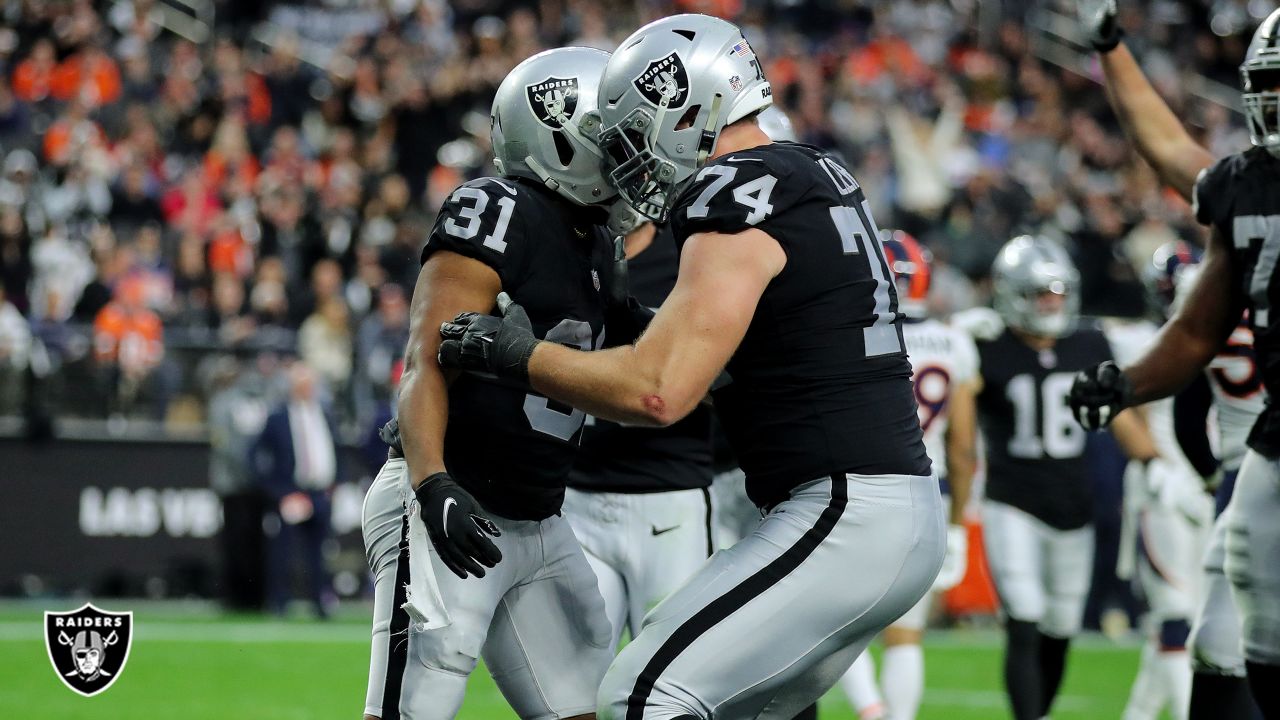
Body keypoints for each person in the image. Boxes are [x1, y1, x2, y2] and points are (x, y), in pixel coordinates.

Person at [438, 15, 946, 719]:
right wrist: (635, 323)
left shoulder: (733, 188)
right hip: (885, 507)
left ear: (686, 107)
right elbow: (750, 361)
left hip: (841, 511)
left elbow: (658, 393)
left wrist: (514, 354)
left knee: (643, 694)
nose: (631, 160)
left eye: (636, 133)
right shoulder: (813, 171)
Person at [360, 47, 620, 720]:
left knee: (585, 704)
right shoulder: (497, 208)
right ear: (561, 134)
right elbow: (426, 360)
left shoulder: (595, 239)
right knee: (415, 702)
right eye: (613, 136)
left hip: (538, 516)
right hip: (453, 500)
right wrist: (432, 485)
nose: (628, 153)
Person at [1075, 3, 1273, 716]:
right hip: (1265, 453)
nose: (1274, 103)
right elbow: (1195, 333)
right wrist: (1127, 384)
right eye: (1269, 85)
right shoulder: (1248, 186)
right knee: (1223, 645)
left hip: (1250, 457)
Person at [969, 235, 1157, 720]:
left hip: (1075, 506)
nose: (1052, 303)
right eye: (1040, 293)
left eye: (1057, 292)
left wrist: (1154, 463)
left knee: (1060, 629)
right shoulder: (987, 344)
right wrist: (957, 339)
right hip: (1012, 501)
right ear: (1012, 294)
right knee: (1024, 618)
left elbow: (1118, 413)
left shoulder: (1089, 343)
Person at [839, 231, 978, 720]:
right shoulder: (954, 341)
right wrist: (961, 522)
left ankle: (871, 710)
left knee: (837, 621)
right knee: (906, 634)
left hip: (862, 485)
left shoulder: (854, 329)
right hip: (927, 492)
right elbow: (963, 448)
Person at [1105, 242, 1216, 720]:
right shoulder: (1134, 340)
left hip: (1211, 485)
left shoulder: (1223, 334)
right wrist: (1153, 465)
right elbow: (1116, 406)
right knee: (1175, 613)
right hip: (1164, 488)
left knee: (1194, 618)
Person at [250, 362, 338, 618]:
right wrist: (279, 491)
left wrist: (335, 482)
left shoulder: (324, 413)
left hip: (320, 492)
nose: (305, 389)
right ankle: (280, 602)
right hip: (292, 493)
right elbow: (255, 455)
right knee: (284, 550)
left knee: (319, 551)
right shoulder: (278, 417)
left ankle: (319, 602)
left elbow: (335, 450)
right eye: (301, 384)